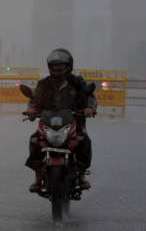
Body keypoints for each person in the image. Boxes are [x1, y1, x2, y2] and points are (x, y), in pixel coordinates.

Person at [25, 48, 97, 192]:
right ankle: (38, 178)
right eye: (54, 65)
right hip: (48, 122)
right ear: (50, 66)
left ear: (68, 65)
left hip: (74, 122)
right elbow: (35, 99)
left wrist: (89, 108)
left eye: (60, 64)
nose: (57, 67)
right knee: (35, 140)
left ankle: (81, 176)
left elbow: (90, 96)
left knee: (84, 140)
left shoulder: (77, 81)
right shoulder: (44, 83)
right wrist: (31, 109)